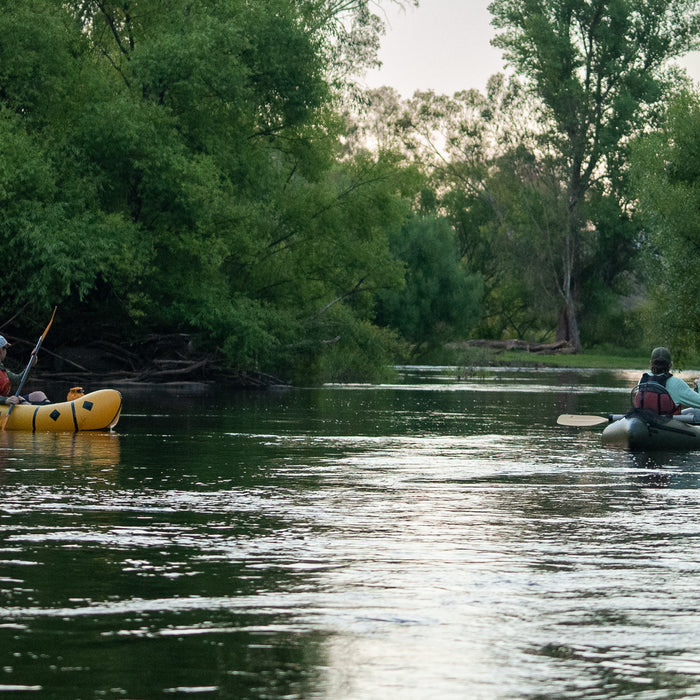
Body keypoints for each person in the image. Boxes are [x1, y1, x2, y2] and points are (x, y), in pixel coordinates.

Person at [633, 346, 700, 417]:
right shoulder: (677, 384)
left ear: (651, 363)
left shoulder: (643, 380)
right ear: (670, 365)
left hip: (645, 423)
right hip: (668, 425)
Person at [0, 335, 49, 405]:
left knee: (39, 395)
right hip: (3, 406)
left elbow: (19, 380)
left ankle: (52, 410)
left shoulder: (3, 370)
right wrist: (6, 400)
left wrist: (31, 365)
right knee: (23, 402)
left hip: (5, 403)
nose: (6, 352)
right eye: (4, 348)